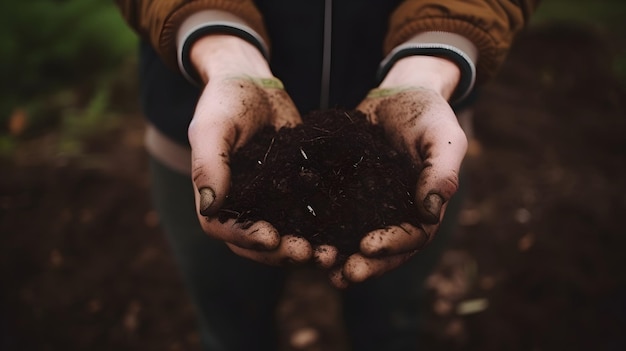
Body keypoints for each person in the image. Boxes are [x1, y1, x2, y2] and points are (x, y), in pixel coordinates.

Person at [115, 1, 538, 350]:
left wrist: (434, 56)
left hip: (412, 139)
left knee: (391, 323)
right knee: (232, 327)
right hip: (214, 127)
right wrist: (218, 42)